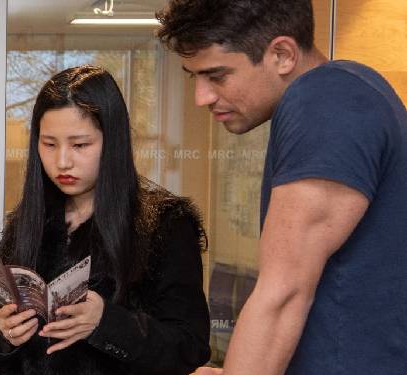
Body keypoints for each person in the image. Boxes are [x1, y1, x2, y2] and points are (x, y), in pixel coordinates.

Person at [156, 0, 407, 374]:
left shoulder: (326, 100)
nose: (202, 97)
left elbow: (284, 294)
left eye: (218, 76)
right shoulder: (345, 94)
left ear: (282, 54)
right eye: (196, 78)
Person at [0, 66, 211, 375]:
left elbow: (190, 346)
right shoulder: (28, 222)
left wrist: (107, 323)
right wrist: (3, 335)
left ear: (112, 142)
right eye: (49, 144)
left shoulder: (165, 224)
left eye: (80, 145)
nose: (62, 161)